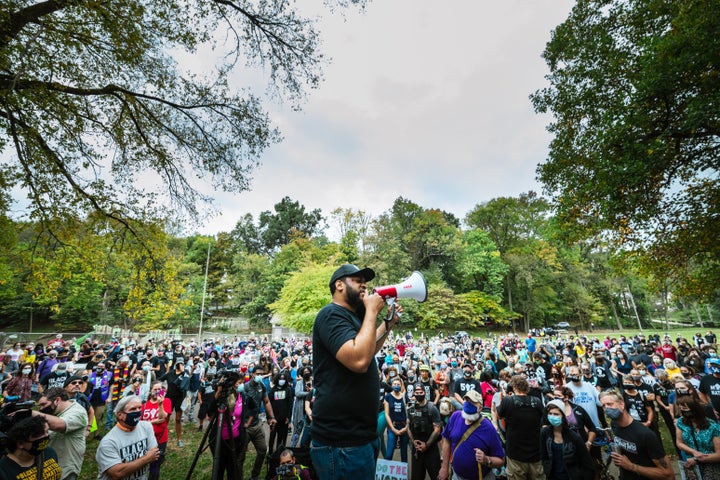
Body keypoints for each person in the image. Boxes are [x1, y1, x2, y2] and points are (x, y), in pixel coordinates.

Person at [310, 264, 400, 480]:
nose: (364, 285)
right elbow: (359, 360)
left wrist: (388, 323)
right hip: (341, 442)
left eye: (365, 282)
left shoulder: (352, 317)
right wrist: (371, 311)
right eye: (357, 280)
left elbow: (367, 351)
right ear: (339, 285)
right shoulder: (330, 315)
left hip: (360, 437)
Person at [598, 390, 674, 480]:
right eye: (603, 406)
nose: (606, 409)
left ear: (622, 404)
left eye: (610, 404)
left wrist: (631, 466)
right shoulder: (614, 424)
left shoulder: (645, 435)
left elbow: (668, 474)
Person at [439, 389, 505, 480]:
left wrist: (486, 459)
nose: (468, 404)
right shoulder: (455, 416)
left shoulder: (488, 428)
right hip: (456, 476)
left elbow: (501, 460)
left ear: (480, 408)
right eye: (466, 400)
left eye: (472, 402)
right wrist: (444, 467)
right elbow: (446, 440)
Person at [96, 395, 160, 480]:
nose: (138, 411)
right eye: (133, 409)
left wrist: (129, 466)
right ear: (120, 415)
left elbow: (154, 454)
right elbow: (117, 473)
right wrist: (146, 458)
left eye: (139, 408)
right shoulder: (109, 442)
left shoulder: (146, 426)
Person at [497, 375, 545, 480]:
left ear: (514, 387)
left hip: (515, 456)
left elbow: (499, 415)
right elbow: (543, 422)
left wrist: (504, 397)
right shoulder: (537, 401)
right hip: (535, 454)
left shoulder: (507, 400)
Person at [34, 387, 88, 480]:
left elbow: (59, 425)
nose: (41, 408)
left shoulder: (77, 412)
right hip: (51, 466)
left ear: (57, 400)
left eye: (43, 404)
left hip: (66, 468)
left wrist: (30, 414)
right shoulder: (56, 411)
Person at [238, 363, 277, 480]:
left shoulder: (262, 386)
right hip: (244, 427)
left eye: (261, 374)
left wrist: (271, 417)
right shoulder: (244, 388)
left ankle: (254, 476)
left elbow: (266, 402)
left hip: (257, 425)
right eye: (257, 374)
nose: (260, 376)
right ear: (252, 374)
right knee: (240, 456)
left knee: (262, 450)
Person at [540, 399, 595, 480]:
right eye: (550, 414)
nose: (552, 416)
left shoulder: (574, 437)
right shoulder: (545, 433)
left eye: (556, 414)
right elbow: (543, 455)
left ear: (563, 416)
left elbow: (587, 464)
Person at [0, 415, 62, 480]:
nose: (46, 436)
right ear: (20, 443)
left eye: (47, 431)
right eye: (39, 434)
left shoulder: (49, 452)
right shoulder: (4, 470)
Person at [675, 393, 720, 479]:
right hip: (692, 466)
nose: (683, 412)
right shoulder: (681, 422)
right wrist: (693, 452)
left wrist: (697, 459)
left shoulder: (713, 427)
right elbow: (679, 442)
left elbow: (719, 454)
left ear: (695, 409)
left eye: (685, 408)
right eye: (681, 409)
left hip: (711, 466)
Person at [407, 382, 442, 480]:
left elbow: (437, 430)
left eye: (420, 392)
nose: (418, 394)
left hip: (431, 450)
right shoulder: (411, 408)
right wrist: (413, 442)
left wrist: (426, 445)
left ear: (424, 392)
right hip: (417, 450)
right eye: (416, 392)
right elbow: (408, 426)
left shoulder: (432, 408)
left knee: (437, 476)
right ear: (413, 393)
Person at [141, 381, 171, 480]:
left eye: (160, 389)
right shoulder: (144, 405)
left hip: (160, 439)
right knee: (142, 462)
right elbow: (140, 423)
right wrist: (154, 421)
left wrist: (160, 404)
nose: (157, 391)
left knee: (155, 465)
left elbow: (163, 418)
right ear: (150, 391)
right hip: (145, 438)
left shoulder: (166, 401)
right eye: (155, 389)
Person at [384, 376, 409, 462]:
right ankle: (387, 475)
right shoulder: (388, 397)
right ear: (392, 385)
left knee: (404, 454)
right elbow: (386, 414)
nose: (396, 386)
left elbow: (408, 414)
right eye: (394, 384)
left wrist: (406, 428)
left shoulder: (404, 397)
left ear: (401, 385)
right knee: (389, 454)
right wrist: (393, 428)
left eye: (398, 384)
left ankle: (403, 475)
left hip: (404, 427)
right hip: (392, 426)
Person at [269, 369, 294, 452]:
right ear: (277, 379)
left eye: (283, 379)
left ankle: (279, 453)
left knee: (281, 437)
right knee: (272, 437)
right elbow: (268, 404)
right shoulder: (273, 390)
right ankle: (270, 454)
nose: (282, 380)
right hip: (274, 418)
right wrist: (269, 417)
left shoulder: (288, 390)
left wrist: (288, 417)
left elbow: (290, 404)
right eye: (280, 379)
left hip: (284, 419)